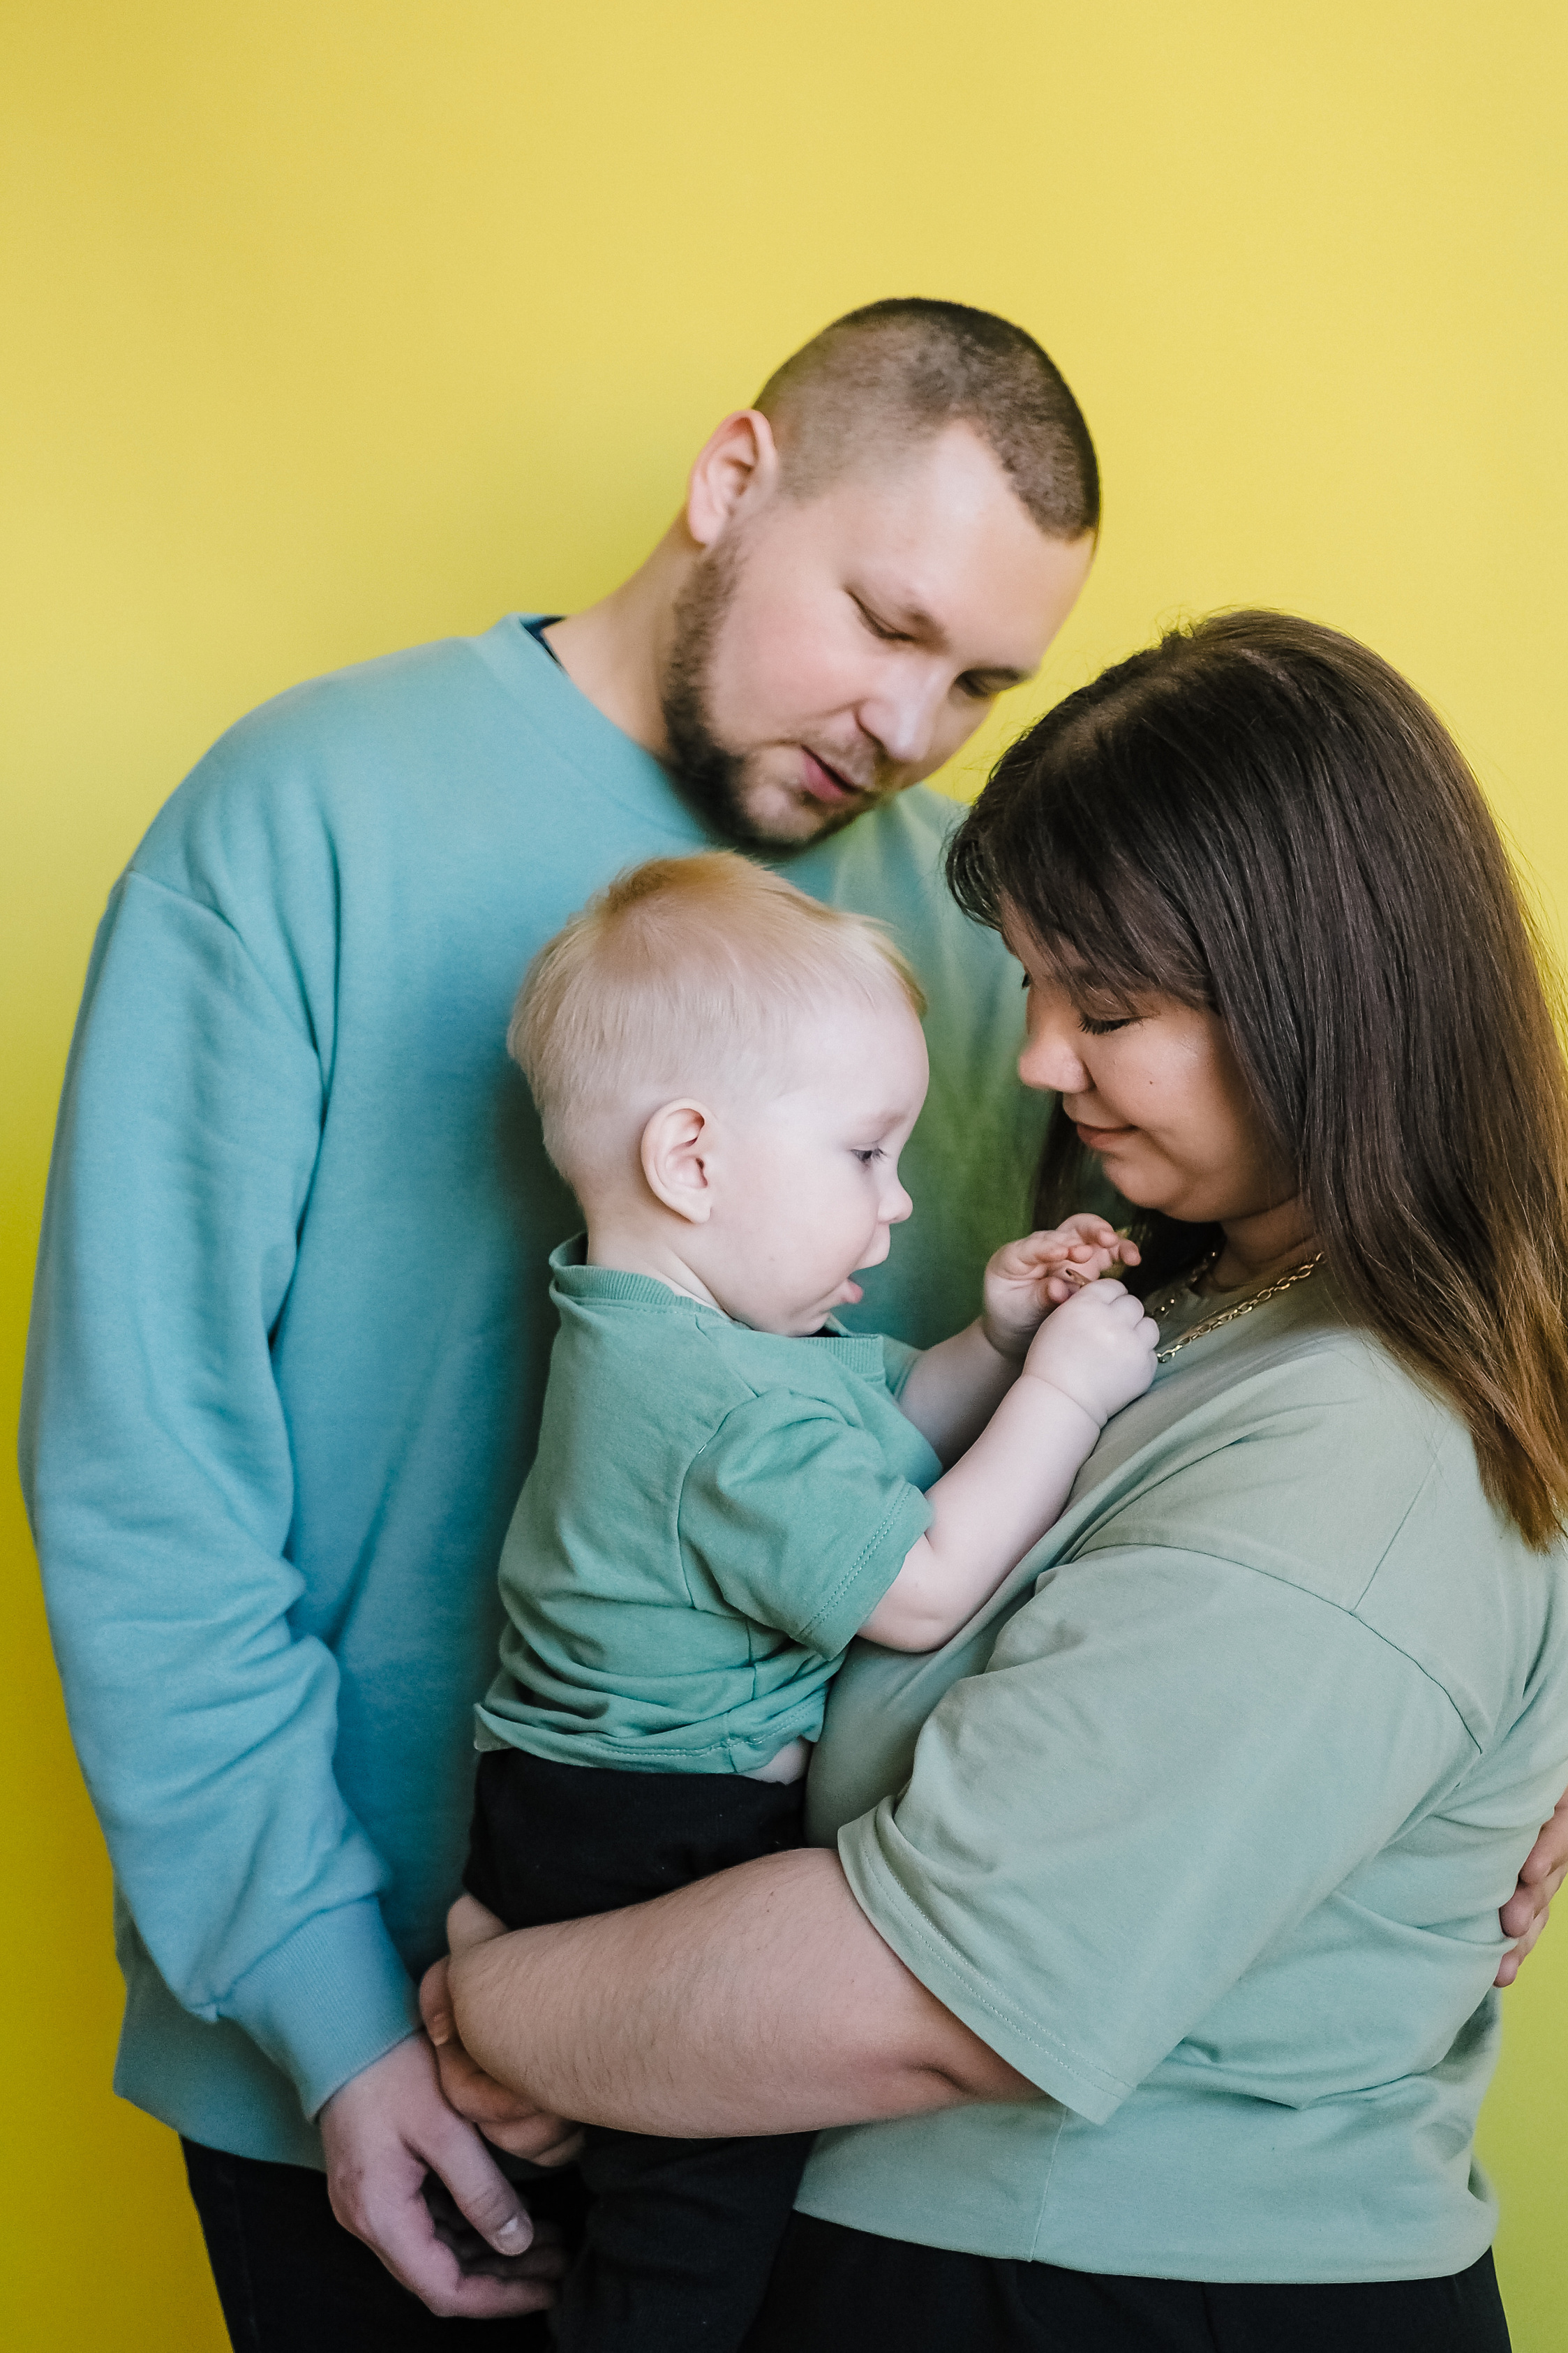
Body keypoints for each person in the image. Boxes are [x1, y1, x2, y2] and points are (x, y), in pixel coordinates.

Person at [18, 298, 1103, 2346]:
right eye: (882, 620)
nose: (911, 719)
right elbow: (142, 1466)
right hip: (364, 2074)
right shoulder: (302, 815)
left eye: (979, 678)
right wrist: (338, 2022)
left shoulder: (977, 929)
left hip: (807, 2070)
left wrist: (1501, 1685)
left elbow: (1223, 1274)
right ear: (729, 481)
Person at [424, 610, 1568, 2352]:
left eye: (1109, 1008)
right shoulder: (1205, 1296)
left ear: (1319, 996)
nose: (1040, 1062)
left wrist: (507, 2003)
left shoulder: (1367, 1450)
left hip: (1108, 2290)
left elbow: (946, 1995)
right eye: (1038, 988)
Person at [463, 851, 1156, 2348]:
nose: (895, 1206)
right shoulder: (712, 1404)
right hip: (648, 1834)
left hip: (590, 1810)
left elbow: (881, 1443)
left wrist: (991, 1339)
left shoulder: (683, 1346)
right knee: (694, 2226)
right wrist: (1066, 1388)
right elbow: (911, 1583)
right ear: (693, 1161)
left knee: (661, 2201)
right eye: (863, 1156)